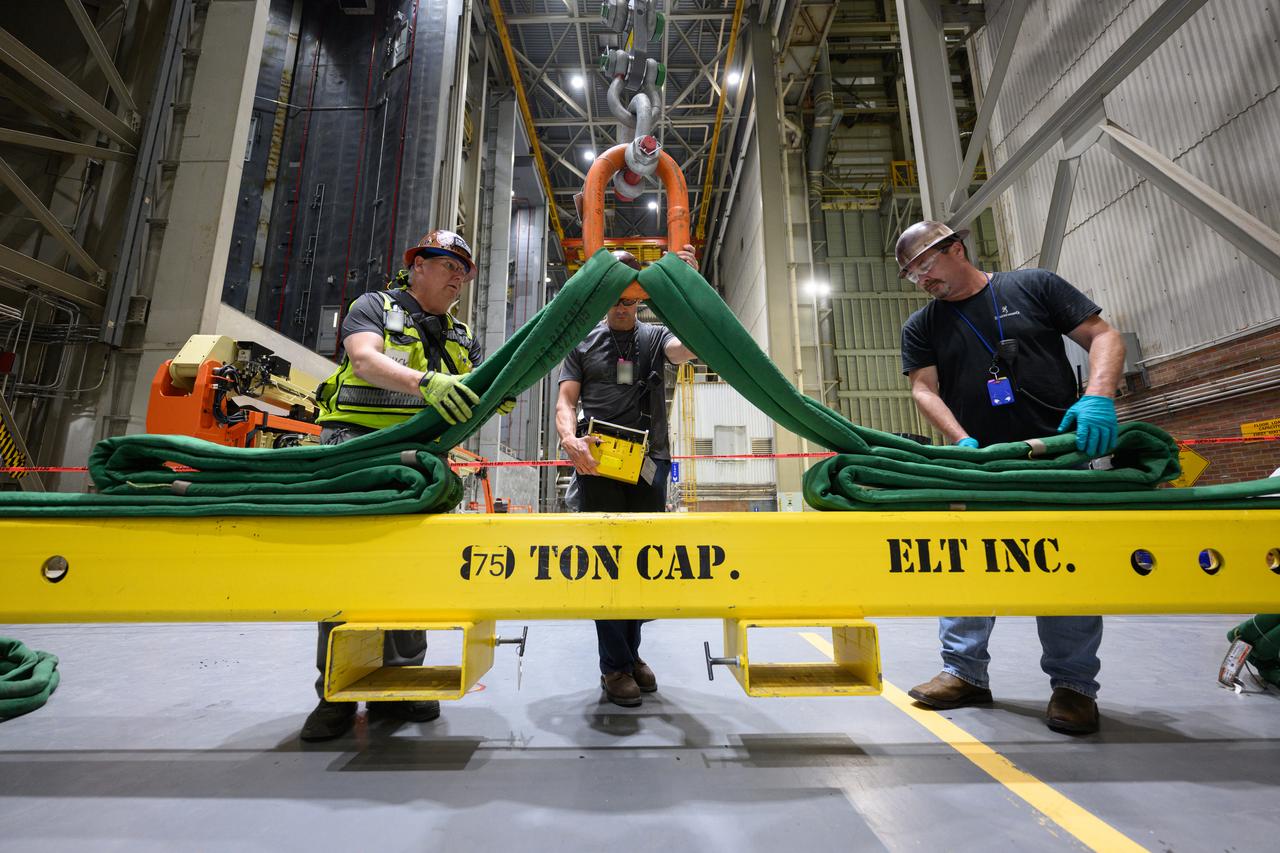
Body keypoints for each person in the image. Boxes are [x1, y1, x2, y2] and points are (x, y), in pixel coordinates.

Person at [896, 220, 1125, 734]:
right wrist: (961, 441)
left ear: (956, 248)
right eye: (911, 275)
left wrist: (1098, 396)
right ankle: (963, 671)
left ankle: (1073, 687)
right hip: (981, 466)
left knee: (1065, 569)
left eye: (924, 267)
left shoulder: (1035, 286)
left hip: (1060, 456)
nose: (920, 280)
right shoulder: (923, 326)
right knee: (967, 565)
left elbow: (1103, 337)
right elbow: (924, 390)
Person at [302, 229, 513, 741]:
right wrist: (428, 382)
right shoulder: (373, 307)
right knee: (348, 570)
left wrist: (499, 394)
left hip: (419, 461)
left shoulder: (462, 338)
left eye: (464, 270)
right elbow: (365, 360)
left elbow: (484, 385)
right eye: (448, 265)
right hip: (355, 449)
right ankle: (335, 692)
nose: (458, 276)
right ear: (417, 265)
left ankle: (402, 681)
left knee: (410, 569)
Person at [556, 245, 698, 707]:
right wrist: (568, 439)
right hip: (597, 464)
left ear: (641, 298)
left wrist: (689, 288)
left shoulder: (656, 339)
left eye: (631, 296)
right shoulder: (582, 342)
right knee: (608, 568)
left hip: (647, 466)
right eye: (615, 295)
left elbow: (690, 347)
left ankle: (631, 656)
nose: (623, 304)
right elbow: (565, 402)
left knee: (641, 567)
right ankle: (613, 667)